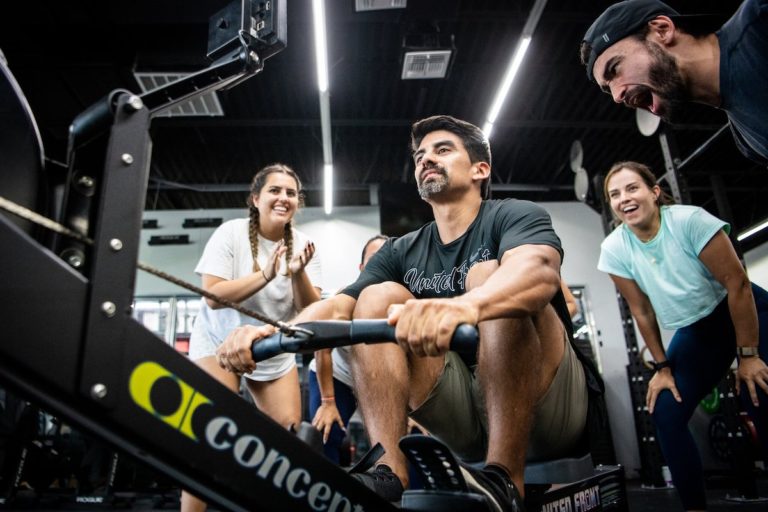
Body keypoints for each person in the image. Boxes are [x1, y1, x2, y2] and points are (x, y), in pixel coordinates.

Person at [218, 115, 600, 511]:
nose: (426, 159)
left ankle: (505, 480)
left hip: (547, 404)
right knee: (375, 298)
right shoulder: (401, 250)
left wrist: (465, 307)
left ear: (480, 169)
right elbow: (337, 307)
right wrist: (272, 332)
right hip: (465, 414)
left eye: (442, 149)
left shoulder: (513, 214)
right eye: (420, 155)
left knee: (488, 275)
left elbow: (537, 272)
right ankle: (391, 474)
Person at [597, 160, 768, 511]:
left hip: (744, 311)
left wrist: (748, 355)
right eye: (614, 194)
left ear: (654, 192)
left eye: (632, 188)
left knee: (759, 395)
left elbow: (736, 284)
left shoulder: (688, 221)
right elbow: (641, 310)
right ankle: (694, 508)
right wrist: (662, 367)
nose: (624, 198)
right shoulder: (615, 248)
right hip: (697, 331)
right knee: (666, 413)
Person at [182, 163, 321, 512]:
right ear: (256, 198)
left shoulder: (304, 244)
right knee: (209, 437)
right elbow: (213, 297)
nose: (284, 198)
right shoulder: (231, 233)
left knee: (286, 447)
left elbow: (312, 312)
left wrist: (298, 274)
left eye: (291, 192)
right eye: (275, 190)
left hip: (272, 349)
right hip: (218, 342)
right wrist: (267, 273)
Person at [580, 0, 768, 165]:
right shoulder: (747, 141)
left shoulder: (760, 19)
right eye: (607, 89)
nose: (616, 97)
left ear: (662, 30)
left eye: (614, 68)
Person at [308, 234, 389, 463]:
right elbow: (322, 346)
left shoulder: (407, 299)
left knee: (409, 437)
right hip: (339, 376)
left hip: (380, 380)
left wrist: (417, 414)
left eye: (387, 258)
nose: (381, 264)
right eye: (374, 259)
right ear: (362, 267)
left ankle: (401, 494)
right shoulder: (346, 297)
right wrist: (328, 402)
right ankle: (326, 495)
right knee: (325, 432)